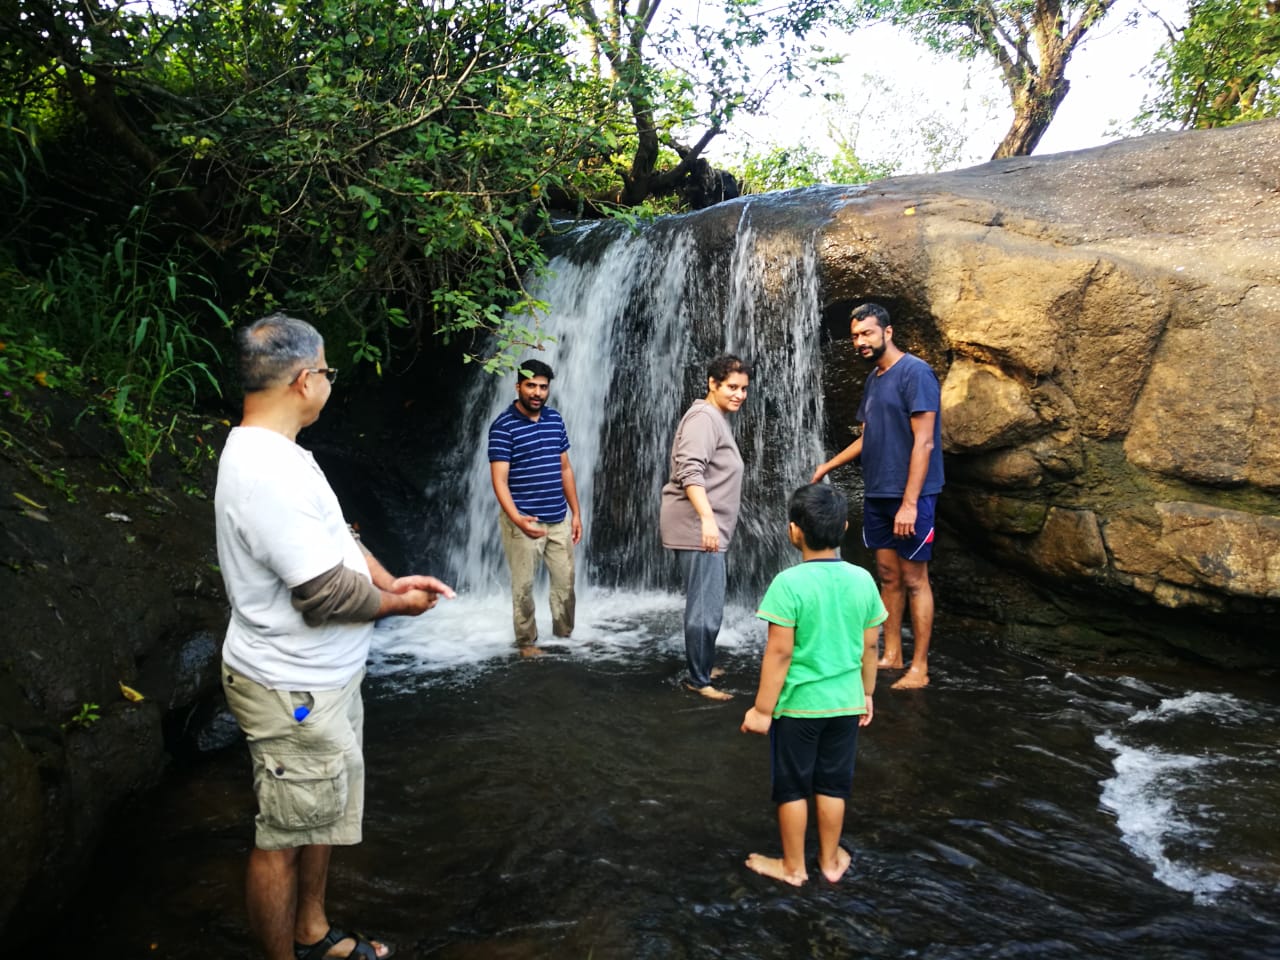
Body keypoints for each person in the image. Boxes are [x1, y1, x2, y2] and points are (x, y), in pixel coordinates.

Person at [215, 313, 455, 960]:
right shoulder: (265, 472)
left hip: (322, 679)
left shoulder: (286, 453)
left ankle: (313, 931)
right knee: (281, 836)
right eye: (326, 371)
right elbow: (323, 595)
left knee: (314, 815)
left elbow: (338, 535)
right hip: (292, 684)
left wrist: (390, 576)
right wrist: (397, 605)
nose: (329, 382)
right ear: (302, 381)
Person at [740, 483, 885, 886]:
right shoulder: (863, 581)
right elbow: (871, 645)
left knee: (791, 786)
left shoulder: (788, 584)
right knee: (833, 784)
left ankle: (792, 866)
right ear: (843, 526)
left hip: (798, 707)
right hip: (845, 703)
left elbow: (780, 653)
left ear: (793, 531)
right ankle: (829, 860)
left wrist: (762, 709)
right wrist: (867, 693)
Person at [812, 302, 944, 690]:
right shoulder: (875, 378)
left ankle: (919, 667)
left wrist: (909, 502)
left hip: (911, 497)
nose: (860, 341)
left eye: (867, 333)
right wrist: (827, 466)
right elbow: (869, 435)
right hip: (878, 492)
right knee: (887, 576)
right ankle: (891, 654)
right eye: (855, 336)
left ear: (887, 332)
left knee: (915, 578)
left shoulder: (915, 373)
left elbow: (924, 444)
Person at [660, 354, 751, 701]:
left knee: (708, 601)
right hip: (698, 528)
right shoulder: (703, 419)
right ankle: (699, 680)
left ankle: (703, 664)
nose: (739, 394)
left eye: (744, 388)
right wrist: (708, 519)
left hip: (703, 528)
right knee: (705, 606)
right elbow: (689, 471)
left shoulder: (714, 417)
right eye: (732, 387)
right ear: (712, 384)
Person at [487, 358, 582, 656]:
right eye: (531, 386)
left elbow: (565, 468)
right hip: (524, 520)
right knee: (524, 587)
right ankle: (526, 642)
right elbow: (500, 481)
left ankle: (564, 636)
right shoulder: (503, 427)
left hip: (558, 519)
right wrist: (517, 519)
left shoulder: (555, 419)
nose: (537, 392)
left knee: (565, 585)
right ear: (518, 387)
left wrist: (576, 513)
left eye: (542, 387)